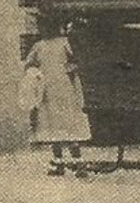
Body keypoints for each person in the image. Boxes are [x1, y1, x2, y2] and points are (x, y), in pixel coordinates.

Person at [21, 15, 91, 176]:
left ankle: (78, 162)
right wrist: (35, 75)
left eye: (45, 26)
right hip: (48, 90)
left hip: (63, 89)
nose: (43, 30)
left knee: (67, 123)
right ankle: (58, 162)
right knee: (54, 125)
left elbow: (77, 59)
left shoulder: (63, 42)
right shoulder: (39, 46)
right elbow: (29, 64)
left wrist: (71, 69)